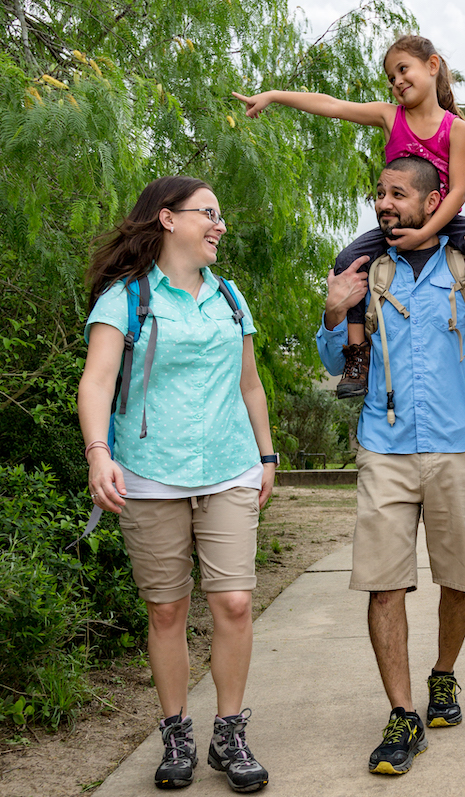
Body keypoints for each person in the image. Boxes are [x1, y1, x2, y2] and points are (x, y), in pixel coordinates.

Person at [316, 155, 465, 775]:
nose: (384, 204)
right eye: (378, 194)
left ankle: (444, 675)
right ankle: (403, 713)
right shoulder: (364, 266)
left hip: (460, 443)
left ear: (434, 197)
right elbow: (338, 365)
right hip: (384, 448)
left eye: (398, 194)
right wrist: (335, 312)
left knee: (458, 578)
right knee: (384, 583)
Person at [78, 176, 275, 793]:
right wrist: (97, 454)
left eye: (220, 215)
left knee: (235, 601)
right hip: (146, 470)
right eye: (208, 214)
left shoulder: (230, 298)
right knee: (166, 609)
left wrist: (267, 456)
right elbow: (97, 382)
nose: (219, 225)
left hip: (229, 466)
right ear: (167, 219)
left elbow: (250, 385)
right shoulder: (126, 297)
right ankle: (175, 733)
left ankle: (229, 733)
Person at [234, 33, 465, 398]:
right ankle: (356, 356)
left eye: (402, 70)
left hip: (442, 218)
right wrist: (273, 96)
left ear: (431, 67)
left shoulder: (455, 128)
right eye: (390, 77)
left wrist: (426, 231)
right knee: (350, 260)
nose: (396, 82)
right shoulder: (389, 116)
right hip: (400, 221)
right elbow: (332, 105)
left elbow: (458, 191)